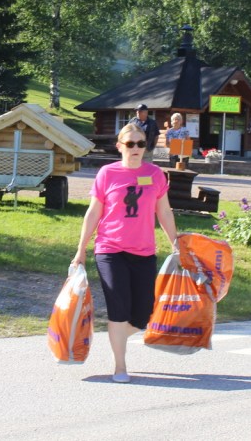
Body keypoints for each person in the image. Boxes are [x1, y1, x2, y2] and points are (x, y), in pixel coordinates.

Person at [71, 123, 178, 383]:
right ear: (120, 146)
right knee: (118, 308)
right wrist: (81, 249)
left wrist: (177, 245)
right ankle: (120, 366)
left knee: (143, 314)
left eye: (141, 143)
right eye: (130, 144)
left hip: (144, 252)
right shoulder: (107, 173)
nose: (136, 148)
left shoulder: (155, 174)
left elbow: (164, 212)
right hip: (110, 250)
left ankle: (116, 333)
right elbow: (93, 213)